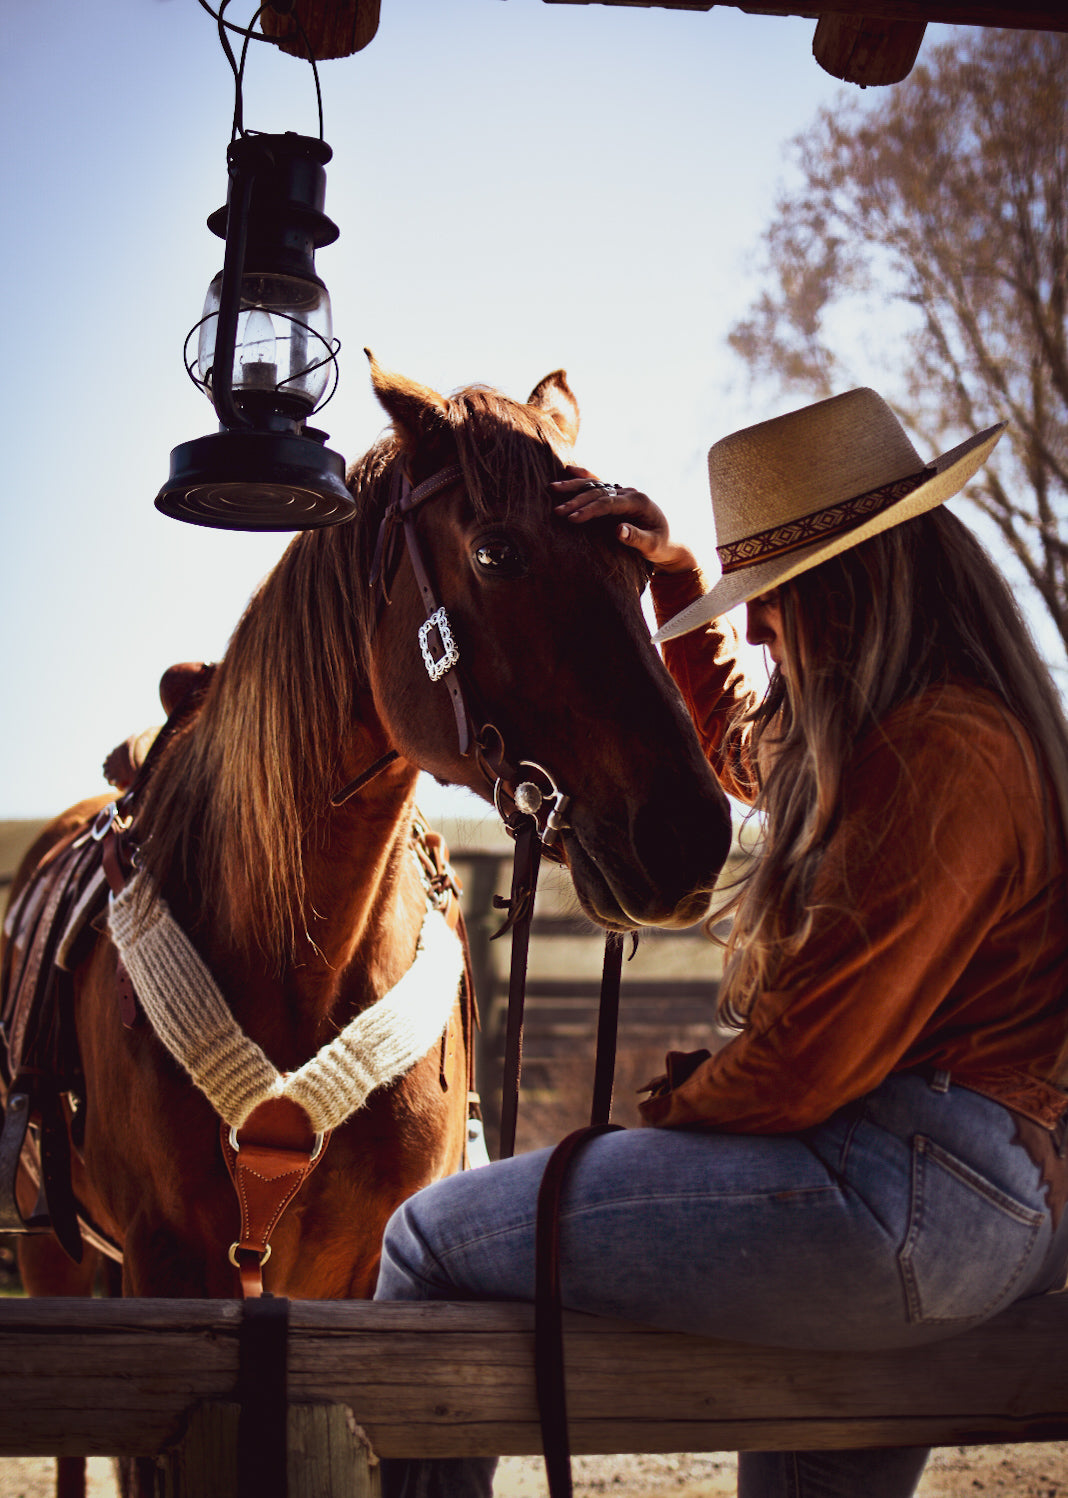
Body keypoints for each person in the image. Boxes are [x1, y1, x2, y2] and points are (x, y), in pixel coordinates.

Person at [374, 388, 1068, 1498]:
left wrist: (681, 1113)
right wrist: (678, 585)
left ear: (855, 580)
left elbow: (802, 1064)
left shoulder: (945, 755)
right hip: (950, 1202)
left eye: (772, 595)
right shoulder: (921, 730)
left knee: (431, 1240)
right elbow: (759, 757)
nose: (752, 627)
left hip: (899, 1198)